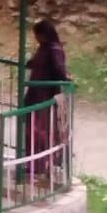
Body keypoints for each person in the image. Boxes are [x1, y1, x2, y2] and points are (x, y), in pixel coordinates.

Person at [24, 19, 70, 173]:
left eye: (38, 35)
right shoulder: (43, 48)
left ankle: (43, 162)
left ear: (44, 34)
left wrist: (66, 78)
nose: (36, 38)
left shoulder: (54, 49)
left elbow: (59, 69)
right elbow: (35, 63)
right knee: (32, 128)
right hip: (35, 92)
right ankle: (33, 162)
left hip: (44, 93)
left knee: (40, 129)